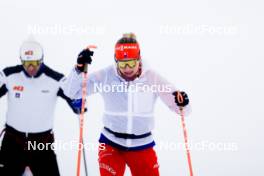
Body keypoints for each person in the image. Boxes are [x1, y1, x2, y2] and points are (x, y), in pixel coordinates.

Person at [64, 33, 191, 176]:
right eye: (123, 64)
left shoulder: (152, 78)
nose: (128, 68)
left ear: (139, 59)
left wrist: (182, 103)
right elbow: (71, 92)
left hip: (142, 144)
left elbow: (182, 110)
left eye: (132, 63)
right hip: (111, 143)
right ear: (116, 61)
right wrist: (78, 69)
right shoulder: (106, 76)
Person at [0, 39, 82, 175]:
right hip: (13, 141)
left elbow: (74, 96)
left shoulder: (55, 79)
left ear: (41, 60)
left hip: (41, 143)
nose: (31, 67)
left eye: (35, 63)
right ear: (21, 61)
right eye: (27, 63)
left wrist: (78, 104)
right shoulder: (10, 75)